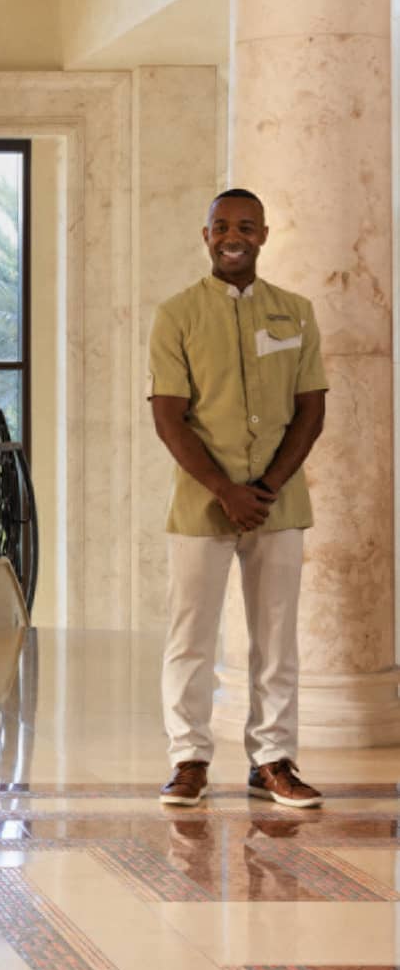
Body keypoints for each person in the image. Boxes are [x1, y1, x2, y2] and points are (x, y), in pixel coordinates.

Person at [147, 189, 327, 809]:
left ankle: (273, 759)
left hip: (280, 505)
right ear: (205, 237)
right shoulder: (176, 315)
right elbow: (169, 417)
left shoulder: (296, 312)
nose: (233, 235)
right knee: (191, 635)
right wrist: (225, 490)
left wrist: (268, 490)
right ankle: (189, 759)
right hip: (201, 503)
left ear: (264, 236)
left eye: (245, 226)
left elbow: (311, 409)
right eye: (221, 225)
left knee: (276, 638)